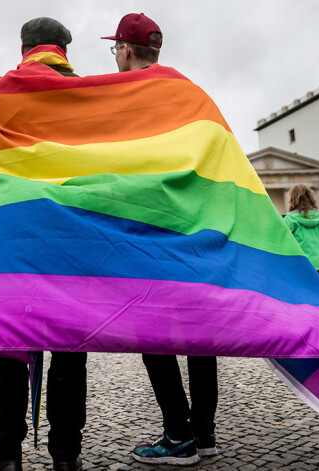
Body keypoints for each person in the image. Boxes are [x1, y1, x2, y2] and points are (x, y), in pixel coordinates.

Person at [101, 13, 217, 466]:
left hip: (149, 237)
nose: (114, 56)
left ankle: (178, 435)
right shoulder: (191, 94)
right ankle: (204, 433)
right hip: (194, 236)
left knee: (153, 335)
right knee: (200, 337)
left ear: (127, 50)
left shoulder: (122, 97)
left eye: (115, 49)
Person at [0, 18, 87, 471]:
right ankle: (65, 454)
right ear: (65, 48)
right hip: (71, 236)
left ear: (23, 47)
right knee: (69, 351)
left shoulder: (2, 92)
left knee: (9, 348)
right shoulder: (88, 92)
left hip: (14, 234)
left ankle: (5, 454)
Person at [284, 184, 319, 284]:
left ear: (292, 198)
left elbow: (286, 241)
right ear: (311, 197)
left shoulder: (290, 218)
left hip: (301, 264)